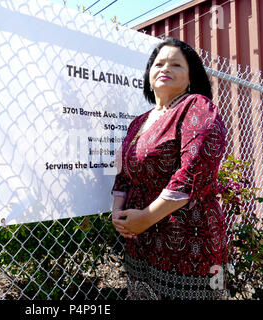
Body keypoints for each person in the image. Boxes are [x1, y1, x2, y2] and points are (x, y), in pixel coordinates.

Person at [111, 38, 228, 300]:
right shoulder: (138, 122)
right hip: (140, 239)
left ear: (190, 77)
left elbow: (194, 171)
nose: (165, 68)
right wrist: (117, 212)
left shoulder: (196, 106)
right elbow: (123, 173)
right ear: (149, 75)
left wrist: (147, 216)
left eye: (176, 64)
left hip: (187, 240)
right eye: (159, 63)